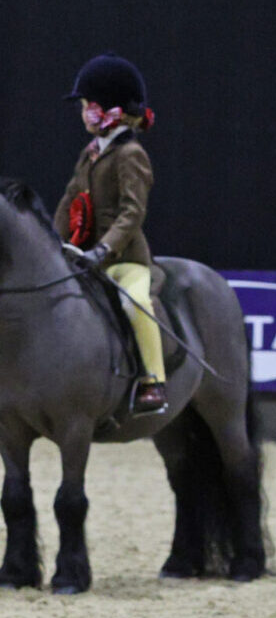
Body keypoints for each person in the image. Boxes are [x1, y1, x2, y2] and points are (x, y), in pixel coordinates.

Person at [53, 54, 168, 414]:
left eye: (86, 104)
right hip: (84, 257)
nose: (82, 111)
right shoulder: (90, 153)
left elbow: (132, 212)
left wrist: (103, 250)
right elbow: (69, 201)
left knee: (135, 304)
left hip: (124, 260)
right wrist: (53, 243)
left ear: (108, 110)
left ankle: (153, 381)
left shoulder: (131, 155)